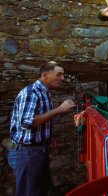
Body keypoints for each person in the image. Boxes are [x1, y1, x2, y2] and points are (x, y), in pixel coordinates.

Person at [8, 61, 77, 196]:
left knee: (40, 190)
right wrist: (59, 109)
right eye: (59, 75)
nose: (63, 78)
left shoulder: (45, 92)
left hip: (38, 150)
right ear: (45, 75)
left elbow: (42, 119)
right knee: (29, 192)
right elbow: (27, 123)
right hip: (27, 152)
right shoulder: (31, 93)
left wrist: (49, 136)